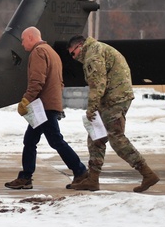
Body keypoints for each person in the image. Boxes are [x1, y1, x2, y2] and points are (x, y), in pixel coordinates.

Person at [66, 35, 159, 193]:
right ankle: (93, 180)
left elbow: (98, 83)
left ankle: (147, 174)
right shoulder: (97, 49)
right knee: (96, 138)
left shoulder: (92, 54)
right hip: (112, 98)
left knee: (116, 138)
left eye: (72, 53)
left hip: (114, 99)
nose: (73, 58)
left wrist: (92, 107)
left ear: (79, 46)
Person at [5, 26, 87, 190]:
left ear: (30, 37)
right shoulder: (51, 52)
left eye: (22, 40)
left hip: (43, 107)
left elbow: (37, 81)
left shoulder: (38, 52)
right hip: (47, 105)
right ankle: (26, 177)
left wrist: (26, 101)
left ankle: (81, 172)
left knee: (55, 141)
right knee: (30, 140)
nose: (22, 44)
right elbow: (60, 82)